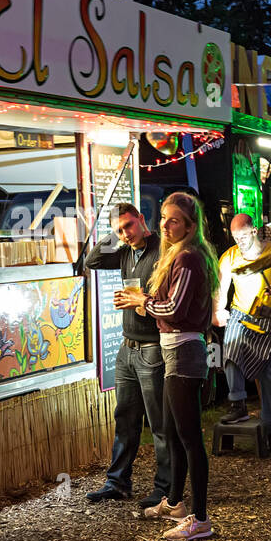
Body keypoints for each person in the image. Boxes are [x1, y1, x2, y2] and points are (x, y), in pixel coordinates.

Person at [120, 192, 217, 541]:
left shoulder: (189, 258)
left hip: (185, 353)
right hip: (172, 351)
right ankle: (175, 501)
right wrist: (142, 302)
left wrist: (141, 301)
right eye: (162, 217)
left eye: (174, 219)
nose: (165, 224)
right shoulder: (175, 255)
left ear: (191, 226)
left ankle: (201, 519)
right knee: (173, 432)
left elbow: (174, 310)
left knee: (191, 438)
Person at [83, 203, 171, 507]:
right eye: (119, 229)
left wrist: (142, 300)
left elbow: (170, 297)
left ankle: (166, 488)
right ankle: (117, 483)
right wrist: (112, 236)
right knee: (125, 419)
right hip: (127, 346)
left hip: (152, 348)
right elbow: (92, 260)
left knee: (159, 422)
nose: (126, 233)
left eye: (129, 226)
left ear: (142, 220)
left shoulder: (161, 251)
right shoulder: (123, 250)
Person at [214, 213, 271, 453]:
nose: (240, 241)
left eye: (244, 236)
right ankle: (237, 402)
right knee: (231, 351)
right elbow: (221, 287)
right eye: (236, 237)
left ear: (254, 230)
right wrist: (218, 309)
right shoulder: (229, 257)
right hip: (240, 314)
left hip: (269, 319)